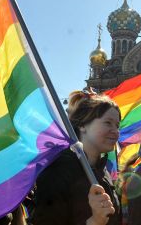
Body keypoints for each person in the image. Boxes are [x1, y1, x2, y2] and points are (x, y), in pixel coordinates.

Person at [32, 89, 122, 225]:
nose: (115, 131)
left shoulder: (103, 171)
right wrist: (94, 222)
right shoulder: (58, 171)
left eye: (117, 125)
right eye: (108, 123)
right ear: (82, 125)